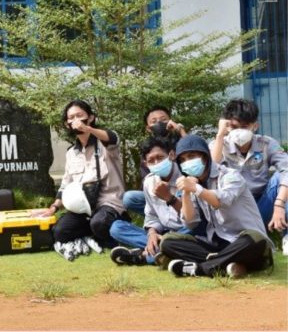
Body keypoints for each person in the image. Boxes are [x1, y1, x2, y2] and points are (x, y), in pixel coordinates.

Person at [160, 134, 272, 278]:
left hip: (243, 242)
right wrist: (186, 193)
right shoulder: (193, 184)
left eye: (192, 156)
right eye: (182, 160)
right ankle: (227, 265)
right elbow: (190, 223)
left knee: (256, 238)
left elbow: (220, 201)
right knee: (168, 241)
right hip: (218, 246)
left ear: (205, 156)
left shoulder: (230, 175)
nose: (187, 162)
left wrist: (195, 189)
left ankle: (200, 269)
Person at [39, 100, 126, 260]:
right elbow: (65, 185)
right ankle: (93, 236)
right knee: (60, 231)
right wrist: (53, 208)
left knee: (99, 223)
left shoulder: (105, 144)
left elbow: (112, 138)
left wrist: (88, 129)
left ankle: (108, 232)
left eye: (79, 115)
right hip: (83, 208)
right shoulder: (71, 153)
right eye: (71, 118)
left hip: (109, 204)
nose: (75, 120)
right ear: (67, 124)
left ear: (91, 117)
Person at [210, 98, 288, 255]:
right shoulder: (219, 146)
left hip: (262, 205)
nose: (239, 131)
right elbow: (211, 172)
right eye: (233, 126)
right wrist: (219, 135)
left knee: (281, 178)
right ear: (227, 125)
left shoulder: (266, 144)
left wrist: (279, 204)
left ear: (255, 126)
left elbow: (286, 169)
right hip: (234, 209)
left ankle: (286, 234)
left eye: (244, 127)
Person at [109, 137, 195, 266]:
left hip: (187, 230)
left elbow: (193, 220)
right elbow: (151, 215)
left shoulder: (187, 177)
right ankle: (162, 248)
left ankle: (143, 256)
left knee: (196, 229)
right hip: (165, 231)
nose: (156, 163)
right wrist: (152, 233)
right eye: (151, 161)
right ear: (145, 164)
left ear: (171, 155)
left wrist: (169, 198)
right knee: (116, 228)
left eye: (160, 157)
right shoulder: (149, 182)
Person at [123, 106, 188, 217]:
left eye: (163, 120)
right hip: (158, 194)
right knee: (129, 198)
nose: (159, 123)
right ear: (148, 128)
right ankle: (161, 221)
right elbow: (147, 180)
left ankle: (177, 225)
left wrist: (180, 130)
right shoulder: (147, 149)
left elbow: (196, 151)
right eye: (154, 121)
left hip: (183, 190)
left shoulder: (181, 141)